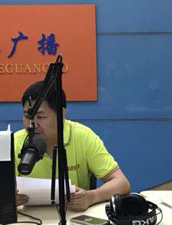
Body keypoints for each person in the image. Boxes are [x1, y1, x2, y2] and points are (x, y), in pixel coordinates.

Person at [14, 81, 130, 212]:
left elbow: (121, 183)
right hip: (29, 218)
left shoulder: (83, 136)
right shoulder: (15, 142)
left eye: (40, 117)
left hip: (74, 216)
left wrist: (91, 196)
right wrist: (7, 198)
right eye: (27, 116)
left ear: (61, 114)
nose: (32, 125)